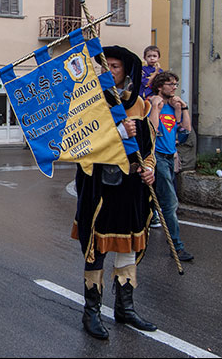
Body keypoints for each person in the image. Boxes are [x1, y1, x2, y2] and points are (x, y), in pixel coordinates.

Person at [72, 46, 157, 340]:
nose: (107, 71)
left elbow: (149, 147)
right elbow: (80, 144)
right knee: (98, 247)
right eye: (104, 66)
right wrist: (119, 133)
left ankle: (125, 308)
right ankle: (91, 311)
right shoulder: (90, 102)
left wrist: (149, 168)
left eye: (115, 67)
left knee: (128, 248)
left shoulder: (141, 106)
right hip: (101, 187)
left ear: (127, 72)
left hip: (131, 189)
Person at [149, 71, 194, 262]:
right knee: (170, 202)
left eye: (176, 84)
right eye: (170, 84)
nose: (174, 87)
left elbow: (185, 131)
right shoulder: (153, 104)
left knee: (157, 201)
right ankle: (177, 246)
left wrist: (183, 108)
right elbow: (153, 130)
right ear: (160, 86)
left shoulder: (173, 107)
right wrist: (155, 107)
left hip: (168, 158)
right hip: (156, 158)